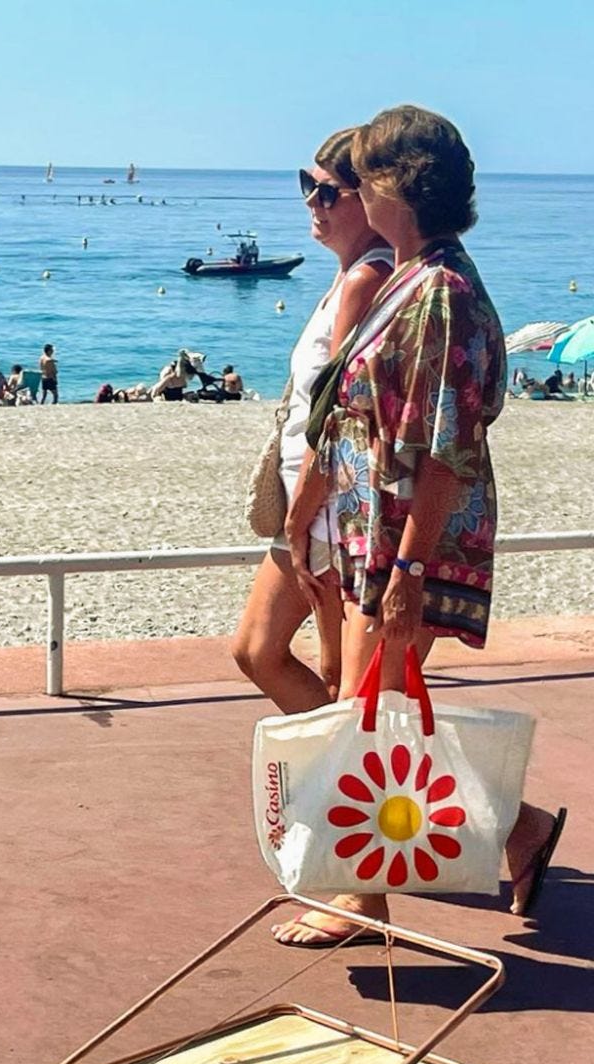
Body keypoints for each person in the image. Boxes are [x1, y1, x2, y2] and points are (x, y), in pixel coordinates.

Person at [274, 105, 567, 946]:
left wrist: (407, 574)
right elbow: (361, 410)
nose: (353, 189)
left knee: (372, 717)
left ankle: (361, 898)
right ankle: (521, 831)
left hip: (416, 542)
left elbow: (444, 450)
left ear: (397, 185)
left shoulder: (437, 290)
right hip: (385, 532)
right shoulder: (412, 270)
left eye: (363, 173)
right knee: (382, 708)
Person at [233, 127, 392, 734]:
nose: (311, 203)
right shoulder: (348, 275)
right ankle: (345, 783)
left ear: (369, 200)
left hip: (327, 508)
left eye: (327, 191)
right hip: (310, 500)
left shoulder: (365, 281)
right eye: (308, 186)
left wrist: (305, 513)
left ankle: (508, 818)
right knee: (256, 649)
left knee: (341, 680)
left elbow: (343, 415)